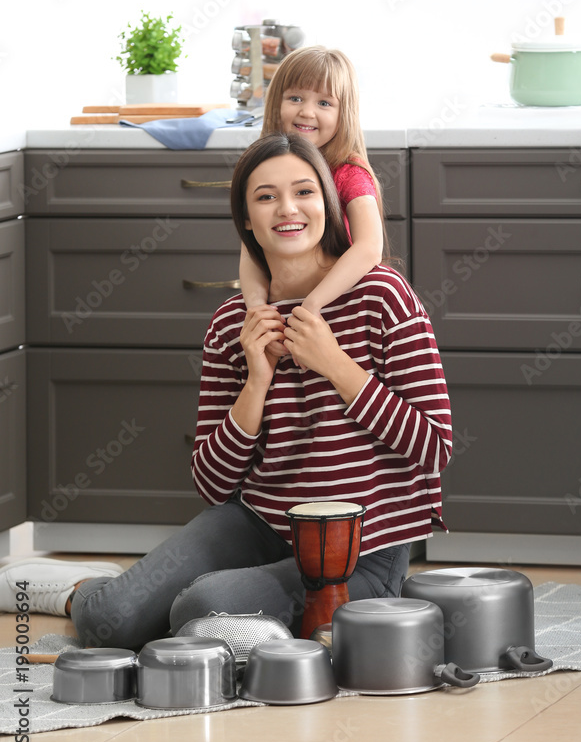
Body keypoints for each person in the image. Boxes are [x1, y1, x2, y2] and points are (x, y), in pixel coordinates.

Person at [0, 133, 452, 650]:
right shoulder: (231, 326)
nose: (288, 209)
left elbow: (435, 446)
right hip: (257, 522)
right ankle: (87, 589)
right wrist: (256, 382)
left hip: (361, 549)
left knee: (201, 607)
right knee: (115, 622)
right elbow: (212, 485)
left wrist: (336, 366)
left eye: (304, 192)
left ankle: (207, 609)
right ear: (246, 220)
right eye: (266, 196)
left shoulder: (383, 296)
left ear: (328, 203)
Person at [240, 45, 387, 316]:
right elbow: (251, 250)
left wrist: (311, 305)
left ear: (344, 113)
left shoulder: (350, 172)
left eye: (324, 103)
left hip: (341, 302)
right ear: (276, 102)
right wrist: (257, 309)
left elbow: (369, 248)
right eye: (295, 98)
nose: (307, 112)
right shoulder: (265, 169)